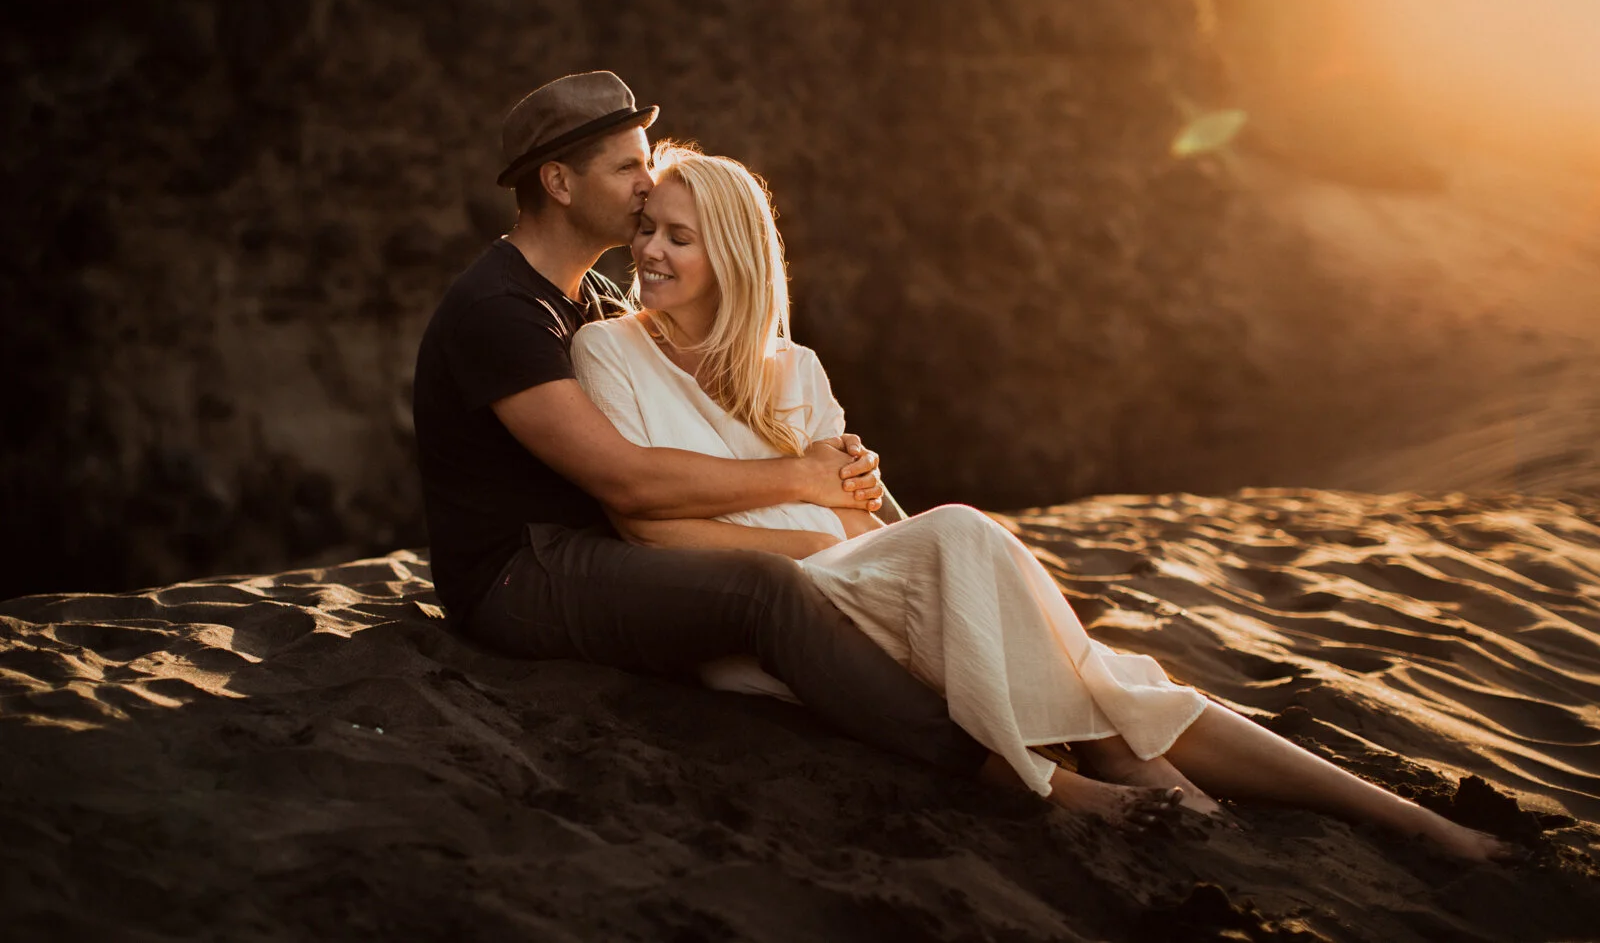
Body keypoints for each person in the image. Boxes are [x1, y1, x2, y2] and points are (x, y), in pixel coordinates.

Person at [566, 139, 1523, 863]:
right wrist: (815, 536)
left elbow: (866, 514)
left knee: (1107, 672)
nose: (648, 250)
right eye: (647, 229)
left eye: (678, 236)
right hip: (776, 618)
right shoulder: (609, 349)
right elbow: (645, 524)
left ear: (735, 254)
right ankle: (1130, 763)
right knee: (972, 545)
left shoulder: (795, 369)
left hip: (871, 584)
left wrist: (846, 529)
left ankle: (1406, 818)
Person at [411, 71, 1183, 831]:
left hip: (592, 548)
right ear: (559, 182)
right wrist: (803, 480)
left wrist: (878, 513)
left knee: (905, 555)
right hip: (520, 575)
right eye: (627, 167)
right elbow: (626, 480)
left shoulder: (594, 298)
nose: (647, 184)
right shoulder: (499, 309)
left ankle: (1076, 715)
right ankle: (1026, 778)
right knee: (765, 588)